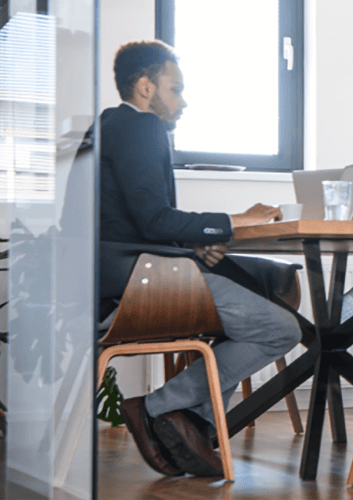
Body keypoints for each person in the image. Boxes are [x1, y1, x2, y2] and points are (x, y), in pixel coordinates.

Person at [98, 40, 302, 477]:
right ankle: (156, 408)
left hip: (115, 277)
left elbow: (125, 221)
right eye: (177, 88)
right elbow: (154, 220)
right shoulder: (140, 127)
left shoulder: (107, 127)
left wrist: (190, 244)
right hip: (141, 283)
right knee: (281, 327)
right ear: (146, 87)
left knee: (249, 300)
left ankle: (193, 426)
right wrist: (236, 219)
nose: (184, 101)